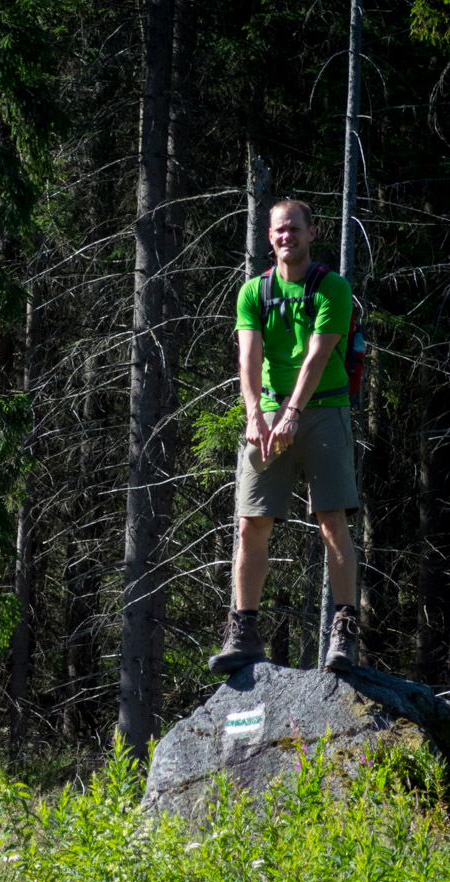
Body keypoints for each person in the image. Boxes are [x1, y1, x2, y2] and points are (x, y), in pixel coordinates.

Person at [209, 199, 360, 675]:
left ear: (312, 233)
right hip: (269, 413)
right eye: (278, 230)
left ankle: (344, 632)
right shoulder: (254, 291)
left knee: (331, 519)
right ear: (269, 237)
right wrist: (256, 414)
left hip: (324, 410)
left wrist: (293, 411)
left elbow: (318, 355)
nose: (285, 236)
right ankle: (244, 631)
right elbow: (247, 358)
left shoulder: (331, 287)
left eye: (294, 228)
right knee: (251, 522)